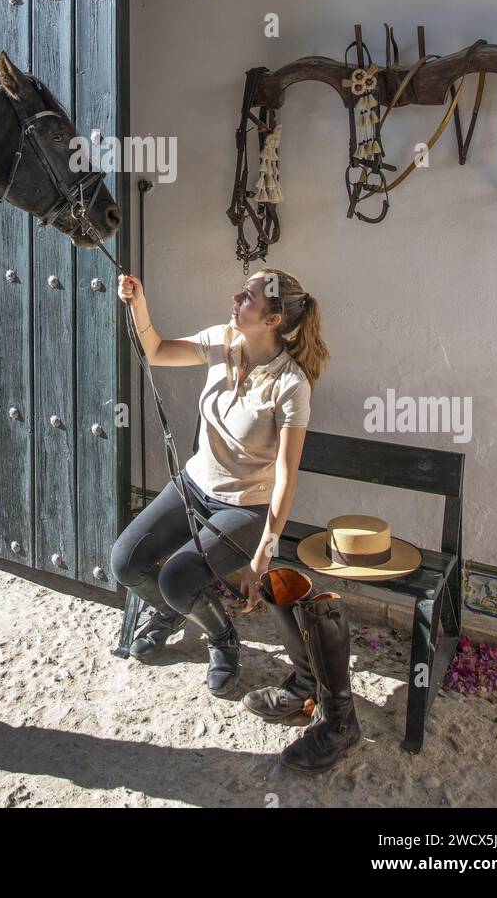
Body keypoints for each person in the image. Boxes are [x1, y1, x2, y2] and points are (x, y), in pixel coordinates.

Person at [110, 268, 329, 699]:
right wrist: (138, 303)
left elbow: (286, 475)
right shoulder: (220, 341)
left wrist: (263, 554)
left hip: (245, 508)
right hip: (193, 485)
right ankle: (177, 612)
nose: (235, 298)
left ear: (272, 320)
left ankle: (222, 636)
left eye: (247, 297)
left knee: (176, 579)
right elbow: (155, 351)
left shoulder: (290, 384)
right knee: (125, 562)